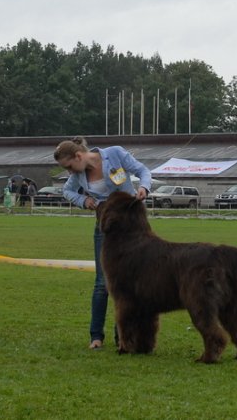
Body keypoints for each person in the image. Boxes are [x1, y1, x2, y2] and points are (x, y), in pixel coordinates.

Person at [54, 136, 151, 350]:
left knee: (128, 282)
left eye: (69, 166)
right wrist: (84, 201)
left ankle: (124, 337)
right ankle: (96, 336)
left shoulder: (115, 153)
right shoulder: (78, 175)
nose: (70, 172)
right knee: (102, 284)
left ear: (78, 156)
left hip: (130, 226)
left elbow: (143, 171)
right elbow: (67, 191)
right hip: (103, 226)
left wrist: (144, 187)